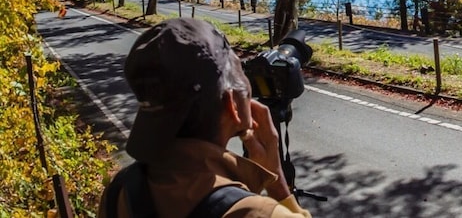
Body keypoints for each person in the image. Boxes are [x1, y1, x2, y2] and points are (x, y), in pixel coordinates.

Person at [98, 18, 312, 217]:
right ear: (232, 105)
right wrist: (277, 184)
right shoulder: (256, 212)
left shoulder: (119, 190)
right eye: (240, 69)